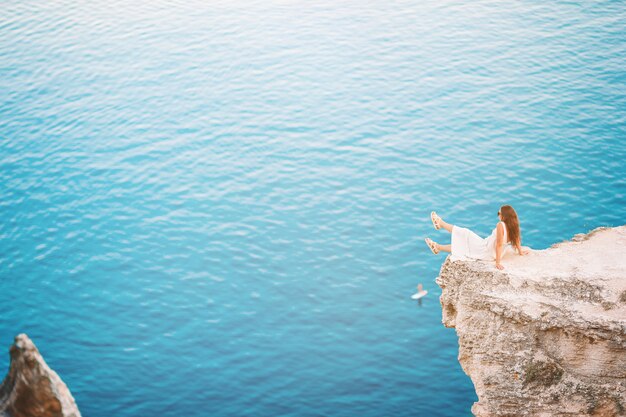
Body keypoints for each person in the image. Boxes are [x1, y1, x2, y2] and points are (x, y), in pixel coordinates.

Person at [424, 205, 530, 270]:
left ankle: (440, 223)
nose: (498, 215)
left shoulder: (501, 225)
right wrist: (520, 251)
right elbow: (516, 239)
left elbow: (499, 244)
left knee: (465, 234)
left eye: (499, 213)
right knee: (464, 242)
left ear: (504, 216)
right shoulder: (514, 226)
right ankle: (438, 247)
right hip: (489, 248)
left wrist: (497, 263)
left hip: (486, 250)